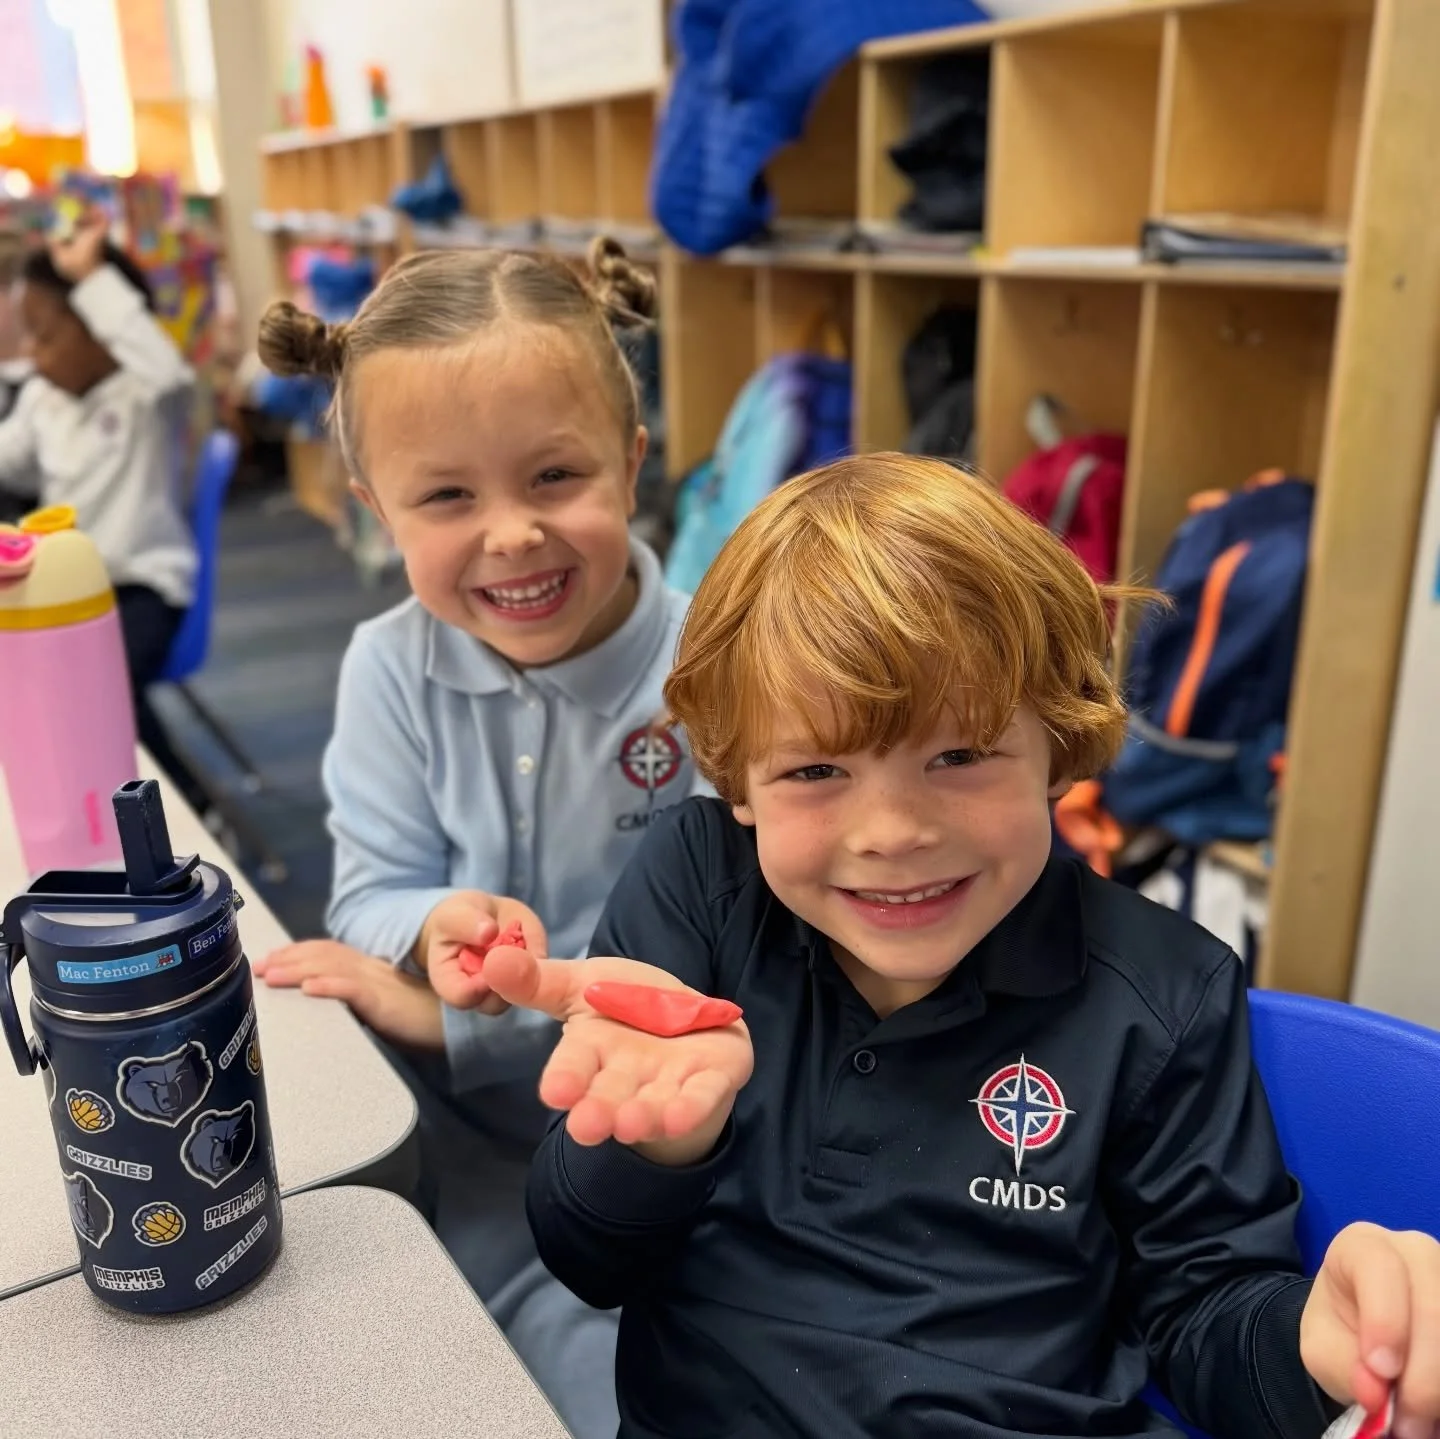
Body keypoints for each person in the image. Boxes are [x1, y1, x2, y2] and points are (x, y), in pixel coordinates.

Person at [481, 453, 1440, 1439]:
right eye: (815, 770)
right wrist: (656, 1144)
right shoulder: (699, 885)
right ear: (740, 783)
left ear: (1056, 742)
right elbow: (588, 1259)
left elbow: (1205, 1318)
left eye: (959, 754)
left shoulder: (1166, 992)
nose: (893, 832)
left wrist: (1315, 1344)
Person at [250, 238, 699, 1439]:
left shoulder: (714, 669)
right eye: (446, 497)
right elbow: (371, 891)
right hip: (472, 1123)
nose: (511, 535)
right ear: (376, 509)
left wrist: (441, 1017)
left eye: (555, 475)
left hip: (670, 1108)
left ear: (631, 460)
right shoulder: (389, 665)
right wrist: (429, 924)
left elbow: (742, 952)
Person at [0, 219, 205, 809]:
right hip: (61, 589)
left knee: (99, 684)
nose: (32, 357)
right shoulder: (45, 397)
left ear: (99, 329)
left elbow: (166, 368)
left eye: (44, 336)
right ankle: (64, 793)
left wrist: (90, 277)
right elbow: (10, 463)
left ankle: (185, 803)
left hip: (141, 587)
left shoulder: (146, 396)